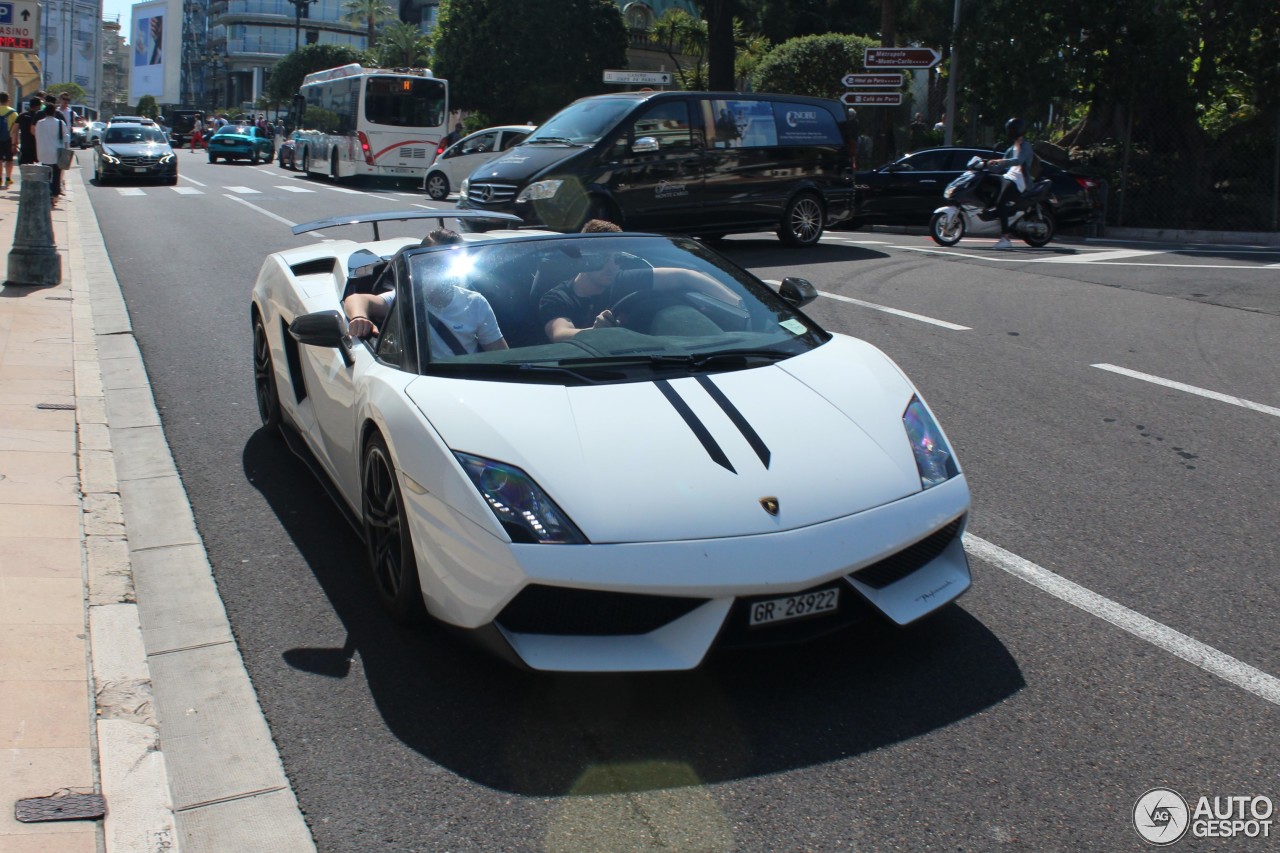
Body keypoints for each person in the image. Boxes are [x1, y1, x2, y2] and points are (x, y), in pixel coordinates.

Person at [344, 230, 509, 357]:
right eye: (432, 263)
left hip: (465, 381)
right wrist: (360, 317)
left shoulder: (475, 303)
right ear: (419, 265)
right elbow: (356, 299)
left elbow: (500, 355)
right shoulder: (405, 298)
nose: (440, 270)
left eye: (448, 264)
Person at [538, 243, 741, 342]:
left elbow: (685, 276)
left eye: (617, 260)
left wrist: (736, 304)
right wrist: (594, 332)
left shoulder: (623, 279)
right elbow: (560, 334)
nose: (611, 267)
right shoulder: (558, 297)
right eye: (602, 259)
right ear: (583, 260)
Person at [986, 117, 1034, 249]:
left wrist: (1000, 162)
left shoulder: (1026, 146)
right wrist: (987, 164)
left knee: (1001, 203)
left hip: (1019, 180)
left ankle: (1005, 238)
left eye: (1011, 130)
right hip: (1008, 177)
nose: (1009, 132)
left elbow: (1018, 161)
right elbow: (1001, 166)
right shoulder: (1012, 147)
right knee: (986, 182)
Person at [35, 102, 66, 199]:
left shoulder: (39, 123)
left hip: (43, 151)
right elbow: (66, 137)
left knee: (45, 174)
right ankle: (55, 194)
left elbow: (37, 136)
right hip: (57, 152)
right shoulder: (60, 123)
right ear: (54, 112)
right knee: (56, 174)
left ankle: (46, 191)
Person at [16, 97, 41, 165]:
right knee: (36, 169)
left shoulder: (22, 115)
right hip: (36, 147)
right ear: (38, 106)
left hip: (24, 146)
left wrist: (14, 143)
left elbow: (14, 130)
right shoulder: (39, 117)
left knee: (24, 167)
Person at [0, 93, 17, 187]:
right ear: (8, 100)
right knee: (9, 160)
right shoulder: (13, 112)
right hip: (9, 139)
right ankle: (8, 179)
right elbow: (15, 130)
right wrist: (15, 143)